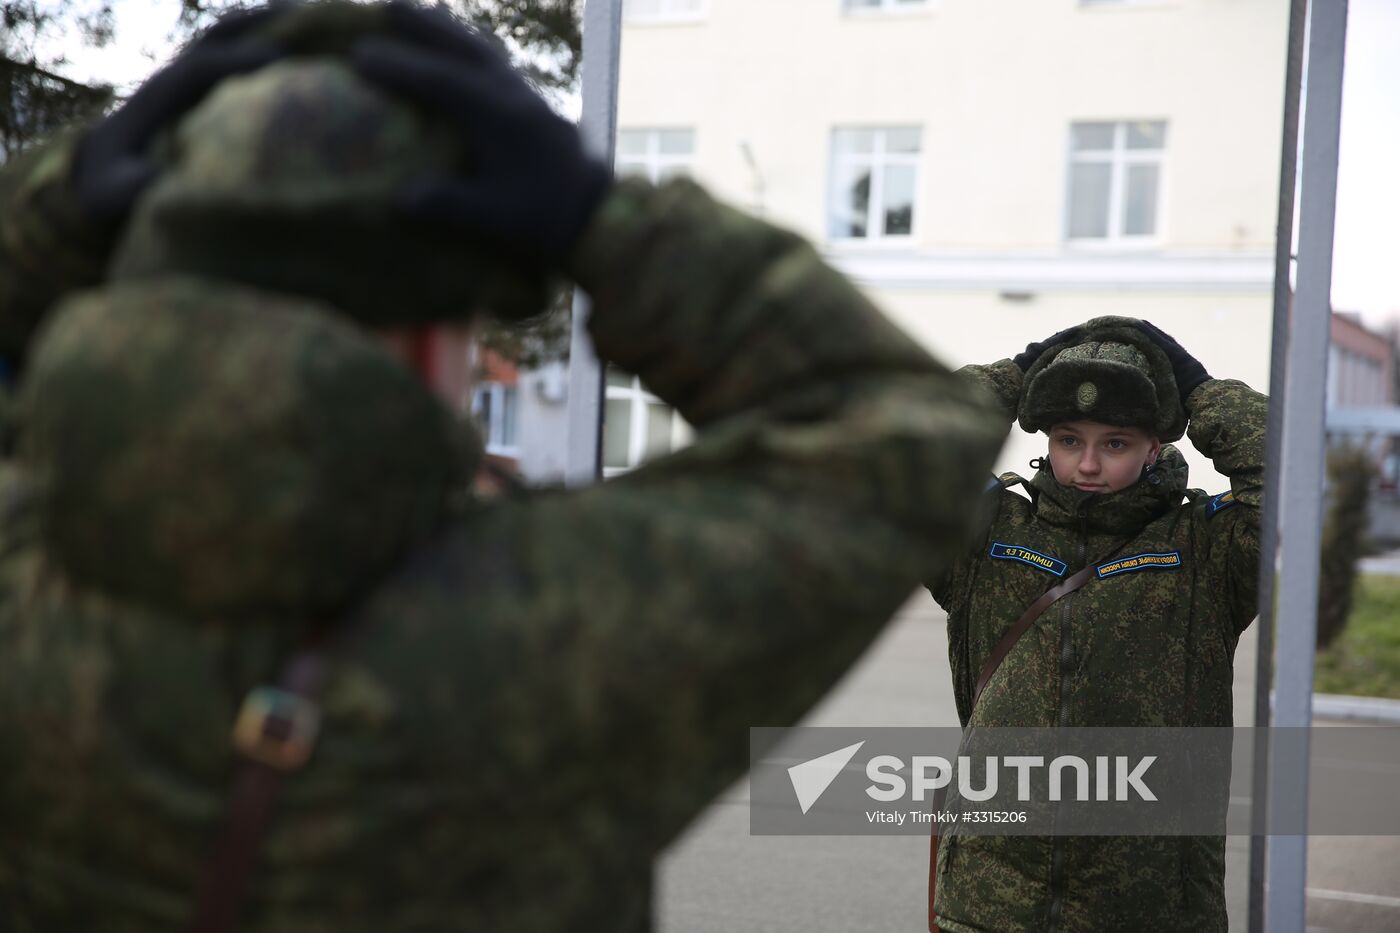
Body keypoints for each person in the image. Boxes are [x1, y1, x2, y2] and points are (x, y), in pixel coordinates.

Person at [0, 2, 1006, 929]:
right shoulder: (543, 622)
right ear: (427, 338)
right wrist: (596, 216)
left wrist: (59, 202)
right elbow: (898, 428)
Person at [926, 316, 1267, 932]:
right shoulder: (988, 535)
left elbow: (1291, 482)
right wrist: (1024, 370)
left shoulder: (1208, 549)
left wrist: (1194, 385)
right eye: (1067, 439)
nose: (1087, 464)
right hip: (991, 898)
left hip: (1151, 905)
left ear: (1154, 448)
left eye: (1115, 443)